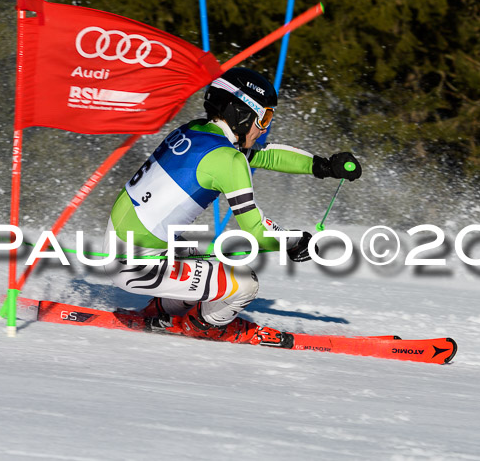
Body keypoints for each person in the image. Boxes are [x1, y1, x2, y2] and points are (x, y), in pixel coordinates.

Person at [103, 67, 361, 347]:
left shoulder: (194, 130)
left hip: (120, 250)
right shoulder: (228, 159)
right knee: (245, 283)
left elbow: (267, 156)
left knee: (204, 253)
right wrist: (296, 242)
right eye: (264, 117)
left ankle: (163, 312)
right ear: (241, 112)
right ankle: (204, 327)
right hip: (137, 268)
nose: (265, 128)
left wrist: (322, 166)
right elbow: (259, 233)